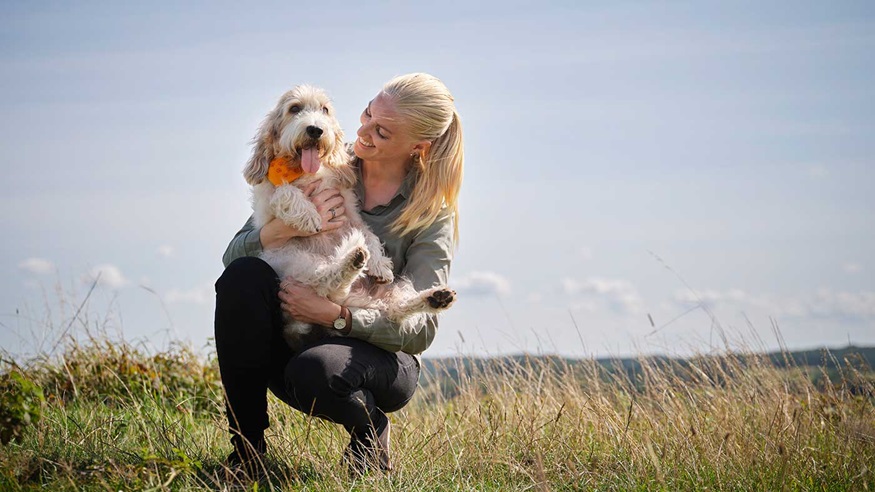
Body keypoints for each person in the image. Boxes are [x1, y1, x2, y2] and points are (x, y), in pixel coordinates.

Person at [214, 72, 463, 475]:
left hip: (377, 358)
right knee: (242, 278)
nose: (363, 132)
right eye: (366, 114)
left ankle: (370, 430)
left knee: (316, 370)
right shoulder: (316, 161)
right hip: (298, 326)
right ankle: (247, 451)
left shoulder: (432, 211)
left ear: (418, 146)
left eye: (381, 131)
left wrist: (337, 316)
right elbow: (232, 255)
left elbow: (421, 331)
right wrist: (286, 228)